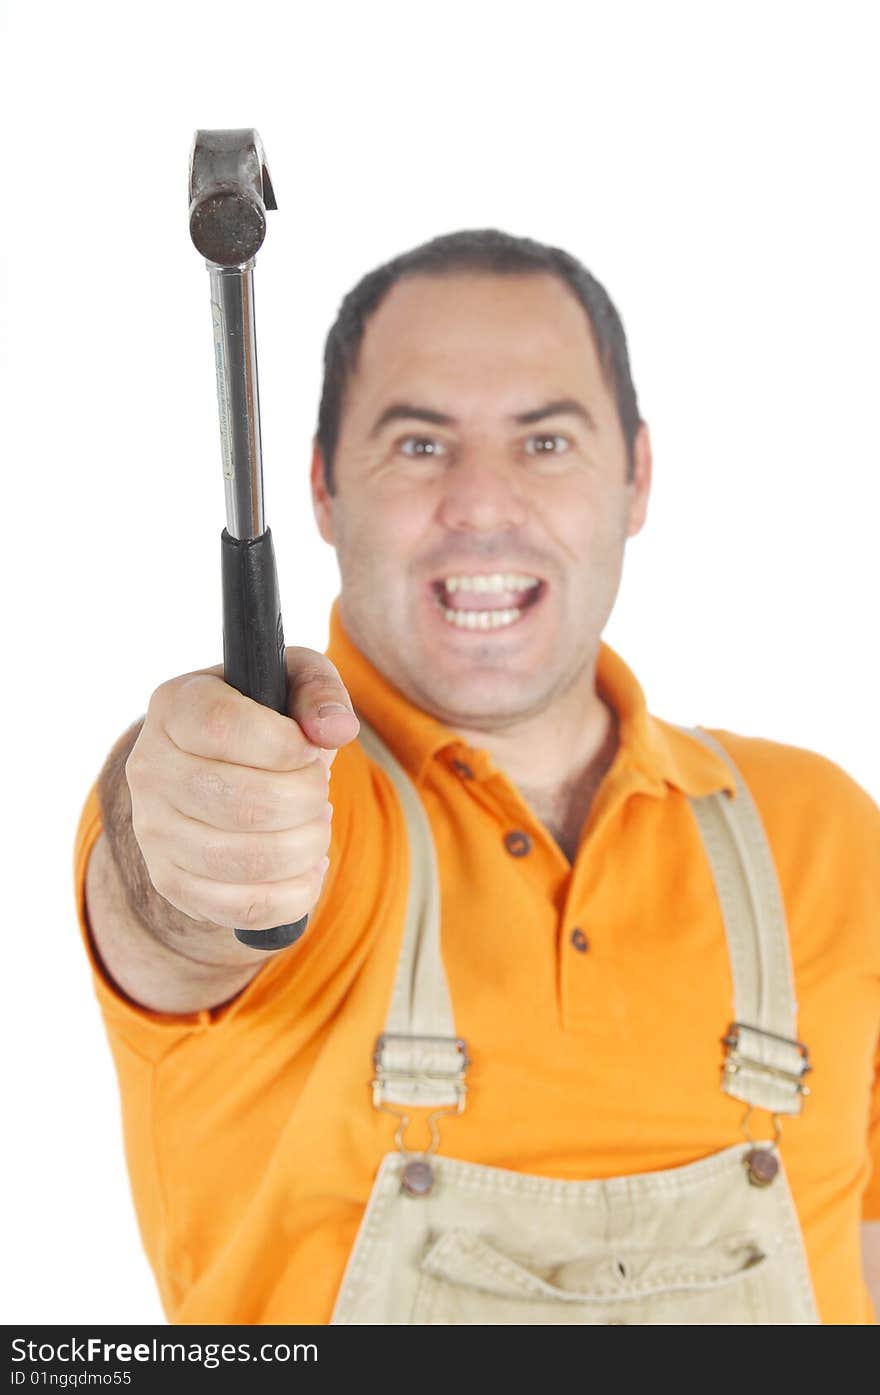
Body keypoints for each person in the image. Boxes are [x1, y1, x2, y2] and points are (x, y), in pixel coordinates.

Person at [75, 229, 880, 1325]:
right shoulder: (285, 806)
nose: (483, 503)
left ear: (636, 477)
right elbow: (170, 907)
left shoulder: (819, 834)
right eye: (418, 446)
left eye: (544, 443)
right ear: (319, 488)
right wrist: (185, 824)